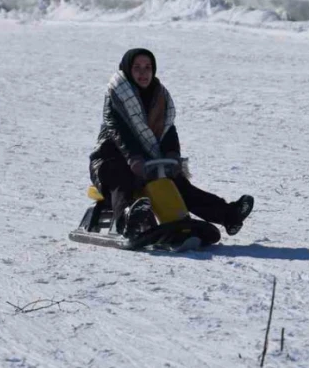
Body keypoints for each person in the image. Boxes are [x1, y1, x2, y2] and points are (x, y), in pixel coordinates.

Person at [88, 48, 253, 239]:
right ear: (127, 70)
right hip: (111, 160)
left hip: (148, 162)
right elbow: (119, 131)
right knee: (122, 179)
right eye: (137, 68)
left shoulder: (159, 97)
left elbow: (168, 130)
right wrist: (133, 157)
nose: (143, 73)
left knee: (179, 185)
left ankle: (229, 215)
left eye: (148, 67)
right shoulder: (116, 98)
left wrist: (172, 154)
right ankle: (128, 220)